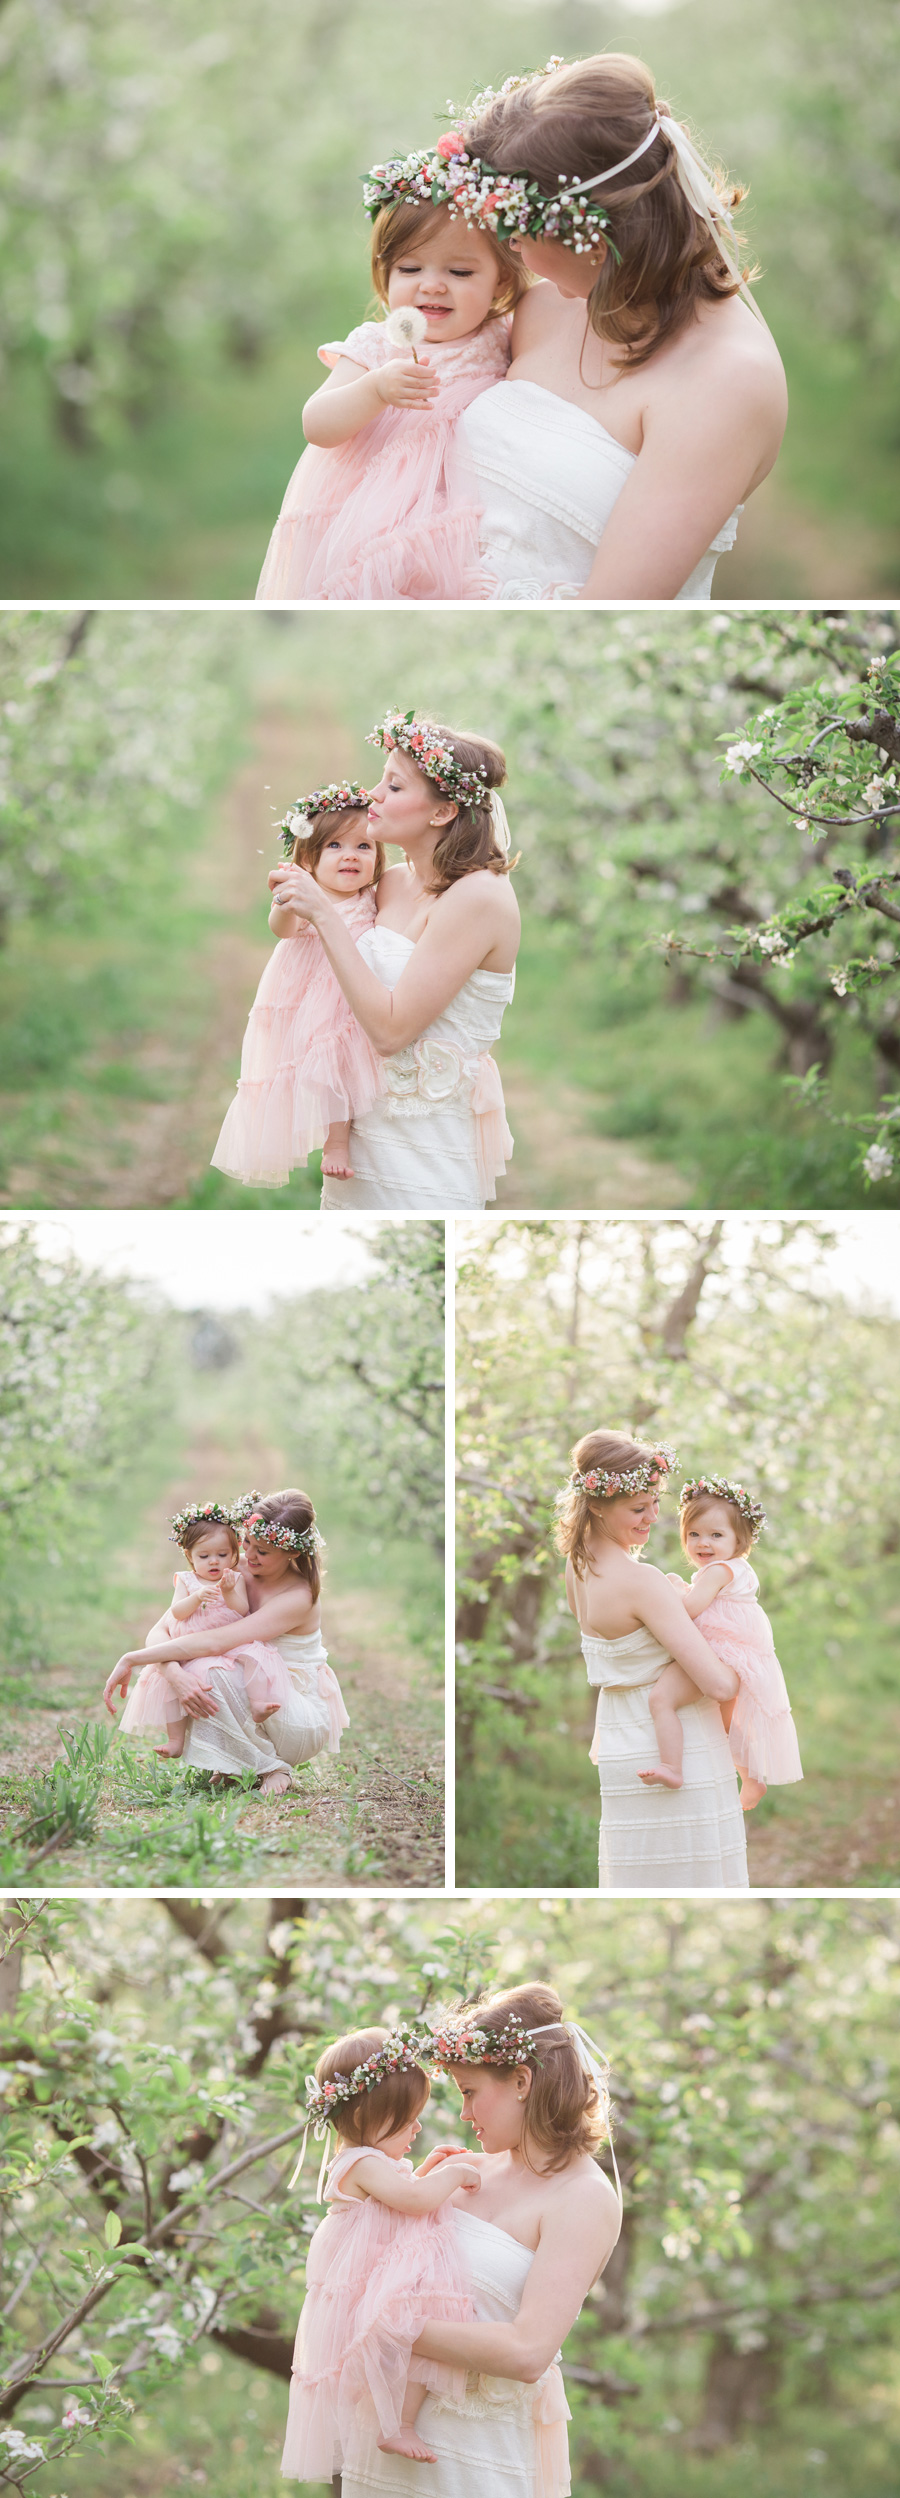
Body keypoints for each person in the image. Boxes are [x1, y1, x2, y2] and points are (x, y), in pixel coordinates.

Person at [443, 51, 787, 599]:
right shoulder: (544, 309)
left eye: (517, 229)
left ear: (591, 238)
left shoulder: (727, 379)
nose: (509, 247)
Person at [339, 1980, 623, 2498]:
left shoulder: (584, 2197)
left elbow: (527, 2351)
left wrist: (389, 2320)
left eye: (470, 2093)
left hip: (473, 2461)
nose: (464, 2114)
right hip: (384, 2453)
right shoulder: (461, 2171)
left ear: (520, 2081)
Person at [269, 710, 520, 1210]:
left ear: (442, 812)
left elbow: (389, 1033)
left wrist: (325, 916)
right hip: (359, 1150)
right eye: (380, 780)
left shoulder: (480, 898)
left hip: (424, 1159)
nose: (374, 796)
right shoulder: (392, 882)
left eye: (395, 786)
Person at [255, 174, 526, 601]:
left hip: (465, 517)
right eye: (410, 268)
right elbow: (317, 425)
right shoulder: (377, 345)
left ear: (502, 283)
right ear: (385, 275)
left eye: (459, 271)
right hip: (376, 522)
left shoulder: (503, 336)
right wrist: (375, 389)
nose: (432, 284)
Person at [282, 2025, 480, 2481]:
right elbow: (412, 2202)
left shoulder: (371, 2163)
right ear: (368, 2118)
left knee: (410, 2343)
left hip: (374, 2276)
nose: (418, 2127)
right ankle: (399, 2424)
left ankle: (400, 2423)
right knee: (406, 2335)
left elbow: (402, 2193)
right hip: (365, 2281)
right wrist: (455, 2176)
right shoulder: (361, 2162)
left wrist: (429, 2168)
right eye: (408, 2118)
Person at [557, 1432, 749, 1887]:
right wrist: (748, 1656)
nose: (653, 1517)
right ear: (598, 1504)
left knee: (639, 1875)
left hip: (626, 1746)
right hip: (681, 1749)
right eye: (638, 1508)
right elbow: (720, 1685)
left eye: (654, 1502)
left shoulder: (576, 1566)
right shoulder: (641, 1581)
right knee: (696, 1877)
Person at [104, 1490, 348, 1799]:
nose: (249, 1555)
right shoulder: (232, 1568)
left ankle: (273, 1766)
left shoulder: (298, 1597)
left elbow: (216, 1642)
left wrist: (133, 1659)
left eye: (263, 1551)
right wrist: (171, 1672)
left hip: (292, 1715)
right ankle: (236, 1763)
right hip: (253, 1695)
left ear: (292, 1554)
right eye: (247, 1543)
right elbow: (163, 1628)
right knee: (196, 1667)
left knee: (210, 1667)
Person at [211, 789, 385, 1188]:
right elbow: (282, 930)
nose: (351, 855)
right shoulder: (308, 895)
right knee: (323, 1066)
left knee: (341, 1065)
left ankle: (337, 1139)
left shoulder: (373, 897)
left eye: (364, 846)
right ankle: (333, 1142)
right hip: (309, 999)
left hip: (350, 996)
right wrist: (285, 900)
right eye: (335, 846)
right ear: (307, 859)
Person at [640, 1474, 804, 1810]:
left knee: (661, 1699)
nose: (703, 1543)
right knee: (729, 1722)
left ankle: (672, 1767)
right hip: (738, 1656)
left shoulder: (716, 1572)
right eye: (694, 1534)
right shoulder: (736, 1569)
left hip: (721, 1653)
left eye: (716, 1535)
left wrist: (669, 1589)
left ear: (739, 1541)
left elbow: (686, 1611)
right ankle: (752, 1777)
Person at [118, 1500, 292, 1755]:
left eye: (222, 1555)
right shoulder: (187, 1580)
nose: (214, 1562)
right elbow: (176, 1612)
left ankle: (258, 1704)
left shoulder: (233, 1578)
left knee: (255, 1658)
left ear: (233, 1554)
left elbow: (241, 1610)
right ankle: (175, 1740)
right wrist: (197, 1597)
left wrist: (229, 1590)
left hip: (227, 1640)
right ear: (189, 1556)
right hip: (190, 1643)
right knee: (172, 1689)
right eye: (204, 1556)